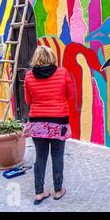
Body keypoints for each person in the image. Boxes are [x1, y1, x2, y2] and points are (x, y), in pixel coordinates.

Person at [23, 46, 75, 205]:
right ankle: (58, 190)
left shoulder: (29, 76)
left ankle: (39, 192)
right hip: (58, 121)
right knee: (57, 155)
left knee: (40, 156)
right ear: (52, 56)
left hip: (37, 121)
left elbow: (28, 100)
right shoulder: (62, 72)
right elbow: (70, 94)